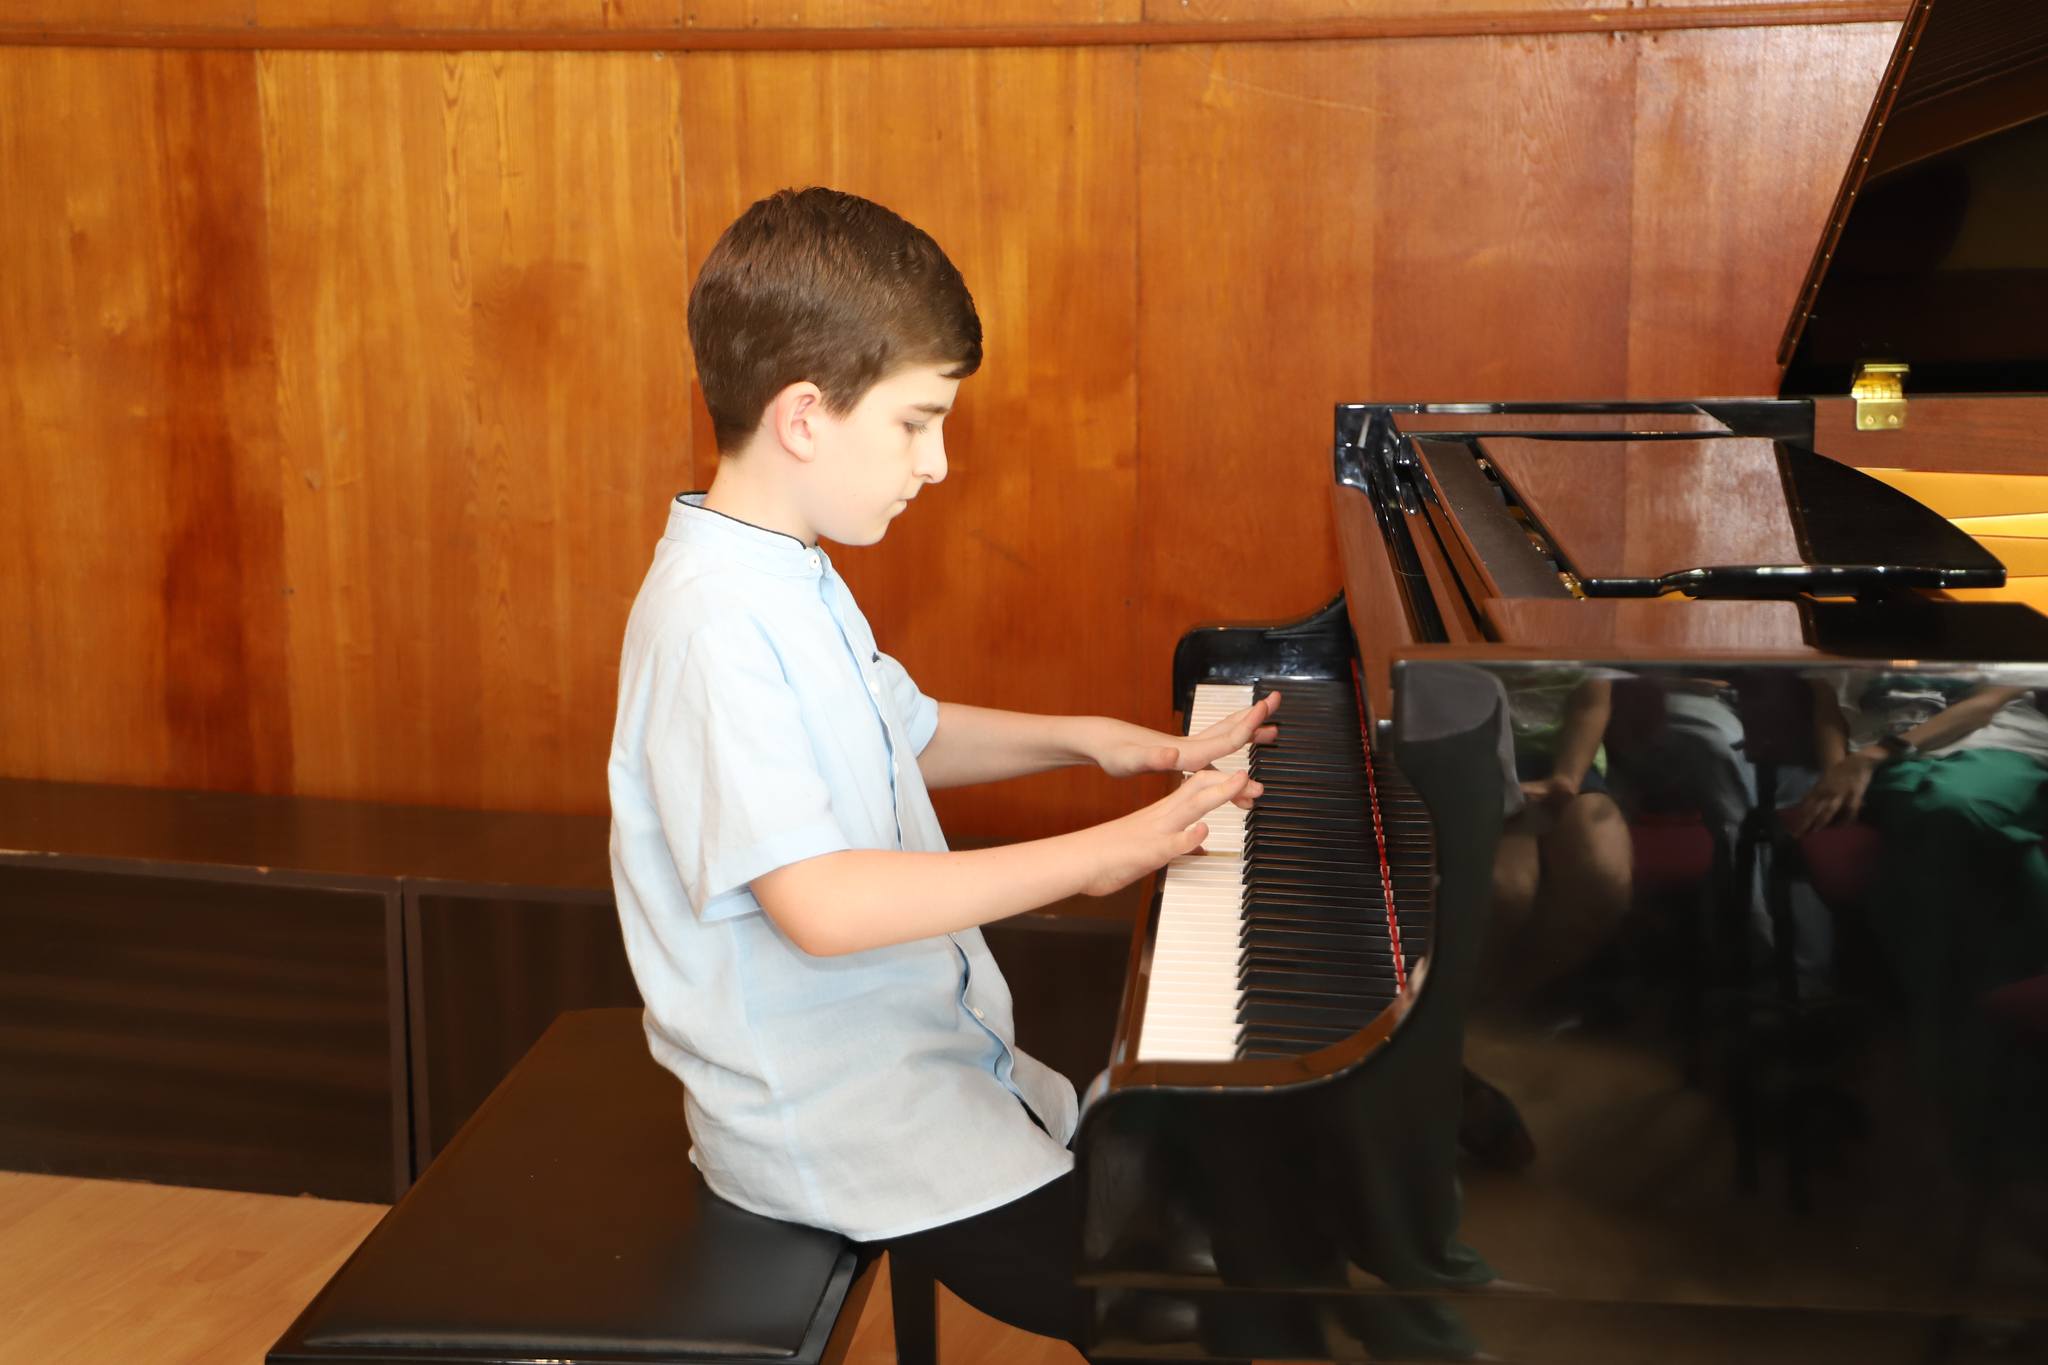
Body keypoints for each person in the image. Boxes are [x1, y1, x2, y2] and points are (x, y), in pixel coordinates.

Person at [605, 187, 1278, 1357]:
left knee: (1209, 1210)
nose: (938, 462)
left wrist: (1096, 740)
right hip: (835, 1117)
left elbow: (900, 730)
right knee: (1169, 1313)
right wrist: (1105, 853)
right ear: (804, 417)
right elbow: (820, 904)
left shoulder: (784, 564)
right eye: (916, 423)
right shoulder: (714, 624)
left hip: (917, 1056)